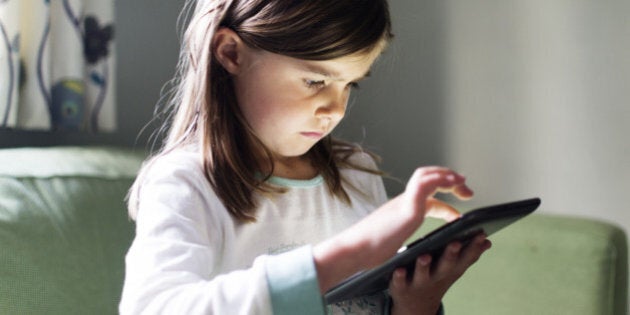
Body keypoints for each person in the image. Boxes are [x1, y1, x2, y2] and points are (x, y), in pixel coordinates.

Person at [119, 0, 492, 314]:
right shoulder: (185, 184)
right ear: (231, 53)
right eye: (315, 81)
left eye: (351, 84)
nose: (335, 109)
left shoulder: (356, 175)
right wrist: (353, 251)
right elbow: (153, 306)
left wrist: (415, 304)